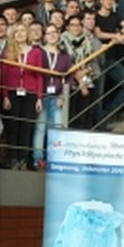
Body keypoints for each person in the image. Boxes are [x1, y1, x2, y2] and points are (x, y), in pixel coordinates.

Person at [0, 22, 43, 170]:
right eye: (16, 31)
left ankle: (23, 160)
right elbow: (3, 76)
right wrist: (5, 96)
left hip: (30, 94)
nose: (19, 34)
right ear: (12, 35)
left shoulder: (36, 52)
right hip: (12, 93)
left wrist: (39, 97)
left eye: (22, 30)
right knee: (13, 128)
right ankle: (12, 159)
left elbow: (39, 76)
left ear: (27, 33)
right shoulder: (7, 52)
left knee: (26, 128)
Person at [32, 24, 72, 170]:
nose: (52, 35)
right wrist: (38, 96)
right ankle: (38, 159)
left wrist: (63, 95)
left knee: (57, 128)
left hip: (57, 96)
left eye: (54, 32)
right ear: (44, 36)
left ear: (59, 34)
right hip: (42, 95)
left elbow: (69, 77)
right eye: (48, 33)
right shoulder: (39, 53)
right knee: (40, 128)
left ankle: (55, 158)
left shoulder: (65, 55)